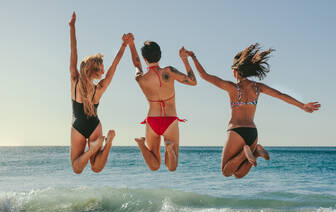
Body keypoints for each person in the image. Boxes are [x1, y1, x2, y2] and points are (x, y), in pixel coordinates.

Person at [186, 44, 320, 178]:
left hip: (236, 130)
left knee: (226, 171)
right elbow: (280, 95)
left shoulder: (232, 87)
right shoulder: (258, 88)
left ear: (235, 71)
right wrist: (302, 106)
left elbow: (204, 76)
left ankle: (246, 152)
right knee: (238, 174)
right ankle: (255, 152)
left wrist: (193, 57)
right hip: (252, 132)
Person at [69, 12, 131, 174]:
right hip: (95, 125)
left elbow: (73, 50)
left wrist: (72, 26)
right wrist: (123, 46)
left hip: (78, 125)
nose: (104, 69)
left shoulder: (74, 81)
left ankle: (92, 150)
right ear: (96, 71)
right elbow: (115, 66)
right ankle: (108, 143)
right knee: (96, 168)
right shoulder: (100, 88)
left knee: (77, 168)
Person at [125, 34, 197, 171]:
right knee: (172, 167)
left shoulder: (141, 78)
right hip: (170, 120)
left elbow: (136, 64)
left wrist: (131, 44)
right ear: (160, 55)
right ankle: (169, 150)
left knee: (154, 166)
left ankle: (141, 144)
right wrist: (184, 60)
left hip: (152, 120)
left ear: (145, 58)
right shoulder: (168, 72)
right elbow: (193, 82)